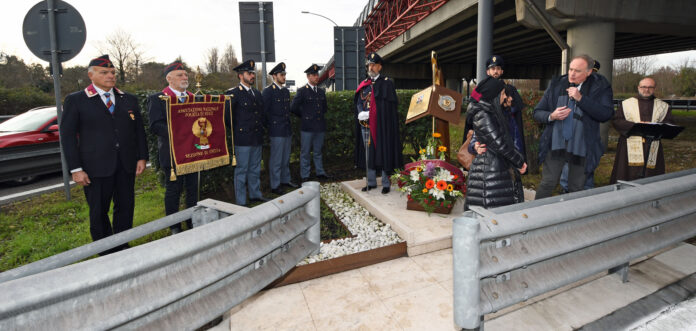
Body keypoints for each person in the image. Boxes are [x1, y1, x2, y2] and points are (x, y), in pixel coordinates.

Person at [60, 55, 148, 254]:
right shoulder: (77, 100)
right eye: (104, 72)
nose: (110, 76)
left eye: (113, 72)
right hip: (95, 167)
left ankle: (123, 244)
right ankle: (105, 251)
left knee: (125, 206)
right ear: (91, 75)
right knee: (99, 211)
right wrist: (76, 169)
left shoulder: (129, 99)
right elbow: (67, 137)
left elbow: (138, 131)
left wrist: (141, 157)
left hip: (125, 164)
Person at [533, 54, 613, 199]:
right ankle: (533, 217)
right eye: (570, 69)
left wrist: (581, 99)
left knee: (577, 188)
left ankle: (571, 218)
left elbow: (606, 114)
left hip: (581, 146)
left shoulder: (600, 87)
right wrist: (552, 116)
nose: (572, 74)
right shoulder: (556, 84)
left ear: (588, 72)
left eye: (577, 71)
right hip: (555, 144)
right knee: (548, 183)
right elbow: (537, 112)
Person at [147, 60, 198, 234]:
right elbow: (155, 126)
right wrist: (181, 130)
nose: (185, 77)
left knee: (192, 189)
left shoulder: (194, 97)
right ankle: (174, 225)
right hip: (172, 154)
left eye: (185, 74)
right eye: (180, 75)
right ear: (170, 79)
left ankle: (192, 221)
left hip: (193, 152)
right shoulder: (158, 99)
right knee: (174, 191)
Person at [465, 76, 527, 210]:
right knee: (490, 215)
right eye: (503, 93)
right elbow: (500, 143)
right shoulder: (484, 114)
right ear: (494, 95)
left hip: (494, 170)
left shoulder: (491, 112)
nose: (505, 97)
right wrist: (519, 161)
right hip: (489, 174)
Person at [354, 52, 403, 194]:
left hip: (382, 126)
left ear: (380, 67)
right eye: (369, 64)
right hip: (366, 125)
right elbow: (359, 101)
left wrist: (375, 113)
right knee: (368, 154)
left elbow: (390, 108)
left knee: (384, 151)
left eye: (374, 65)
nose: (371, 67)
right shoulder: (364, 84)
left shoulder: (387, 83)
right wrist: (360, 113)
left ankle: (386, 183)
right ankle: (371, 182)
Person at [468, 55, 527, 171]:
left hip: (507, 133)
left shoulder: (510, 88)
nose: (495, 71)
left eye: (498, 68)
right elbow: (475, 110)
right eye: (493, 69)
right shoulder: (480, 89)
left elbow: (516, 112)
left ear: (502, 71)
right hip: (491, 153)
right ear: (487, 71)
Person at [610, 77, 674, 183]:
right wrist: (635, 125)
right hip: (629, 144)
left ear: (654, 88)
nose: (646, 89)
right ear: (638, 87)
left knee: (651, 175)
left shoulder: (663, 106)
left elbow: (670, 124)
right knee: (626, 172)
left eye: (650, 87)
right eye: (644, 87)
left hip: (652, 144)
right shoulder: (627, 104)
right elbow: (617, 120)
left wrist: (655, 126)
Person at [225, 59, 269, 206]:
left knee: (255, 168)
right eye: (249, 73)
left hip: (256, 137)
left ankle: (255, 194)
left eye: (253, 73)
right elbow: (227, 118)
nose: (252, 76)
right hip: (242, 139)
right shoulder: (233, 94)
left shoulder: (257, 93)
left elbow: (261, 115)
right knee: (242, 171)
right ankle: (241, 201)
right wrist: (237, 131)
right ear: (240, 75)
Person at [559, 59, 608, 192]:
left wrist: (581, 99)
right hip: (567, 143)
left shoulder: (597, 91)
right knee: (565, 179)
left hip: (584, 144)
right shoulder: (566, 88)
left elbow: (603, 114)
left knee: (584, 183)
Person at [263, 62, 297, 195]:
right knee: (276, 160)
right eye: (281, 75)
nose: (284, 77)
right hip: (276, 131)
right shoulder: (268, 91)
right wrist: (270, 127)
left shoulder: (285, 91)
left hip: (286, 130)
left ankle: (285, 180)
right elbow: (264, 113)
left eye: (284, 74)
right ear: (274, 76)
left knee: (285, 158)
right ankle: (275, 185)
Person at [290, 64, 329, 182]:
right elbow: (293, 107)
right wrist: (305, 116)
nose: (316, 77)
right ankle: (305, 175)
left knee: (318, 151)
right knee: (305, 152)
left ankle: (320, 172)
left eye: (317, 74)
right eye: (314, 75)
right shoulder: (302, 91)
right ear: (308, 77)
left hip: (319, 127)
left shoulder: (321, 92)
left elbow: (324, 108)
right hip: (307, 127)